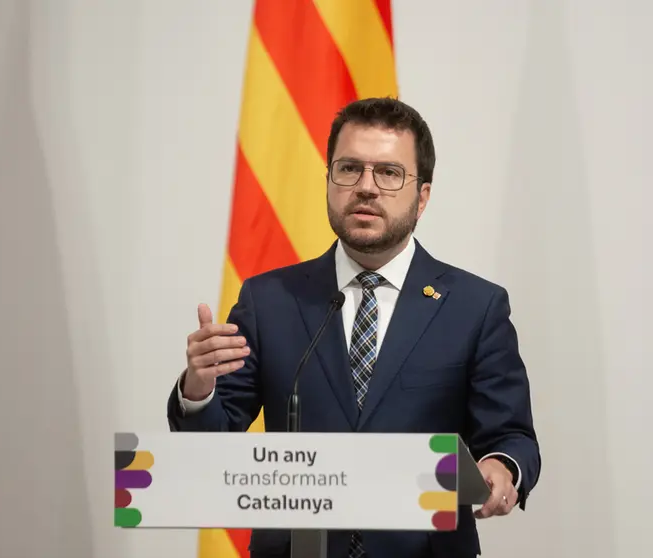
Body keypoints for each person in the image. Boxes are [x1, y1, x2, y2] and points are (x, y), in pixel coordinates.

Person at [167, 97, 540, 558]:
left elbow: (511, 436)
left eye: (388, 173)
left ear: (422, 196)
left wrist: (502, 467)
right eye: (349, 169)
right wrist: (198, 390)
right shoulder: (269, 301)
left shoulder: (475, 307)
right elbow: (211, 451)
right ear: (328, 181)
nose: (366, 187)